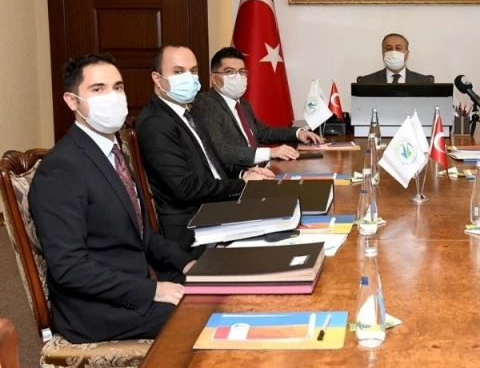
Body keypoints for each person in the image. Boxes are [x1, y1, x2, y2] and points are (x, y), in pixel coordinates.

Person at [28, 53, 195, 343]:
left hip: (136, 281)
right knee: (206, 314)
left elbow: (143, 235)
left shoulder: (114, 152)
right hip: (97, 310)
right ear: (72, 101)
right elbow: (69, 268)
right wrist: (153, 291)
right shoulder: (61, 168)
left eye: (118, 87)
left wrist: (187, 264)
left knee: (224, 288)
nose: (113, 96)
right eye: (98, 89)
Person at [135, 45, 273, 255]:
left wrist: (244, 173)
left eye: (193, 71)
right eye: (178, 72)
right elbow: (186, 188)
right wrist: (242, 185)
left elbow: (211, 164)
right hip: (194, 228)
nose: (188, 78)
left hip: (216, 210)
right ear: (157, 78)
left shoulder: (187, 113)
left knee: (286, 210)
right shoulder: (155, 123)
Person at [191, 46, 323, 178]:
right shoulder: (206, 103)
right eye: (230, 72)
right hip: (237, 179)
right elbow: (219, 150)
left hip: (261, 172)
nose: (237, 77)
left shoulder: (243, 104)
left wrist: (298, 133)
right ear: (213, 79)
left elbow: (264, 133)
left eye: (242, 72)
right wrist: (269, 152)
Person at [357, 33, 434, 84]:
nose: (393, 53)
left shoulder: (424, 82)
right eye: (388, 48)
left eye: (398, 48)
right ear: (383, 53)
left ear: (407, 53)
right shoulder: (366, 82)